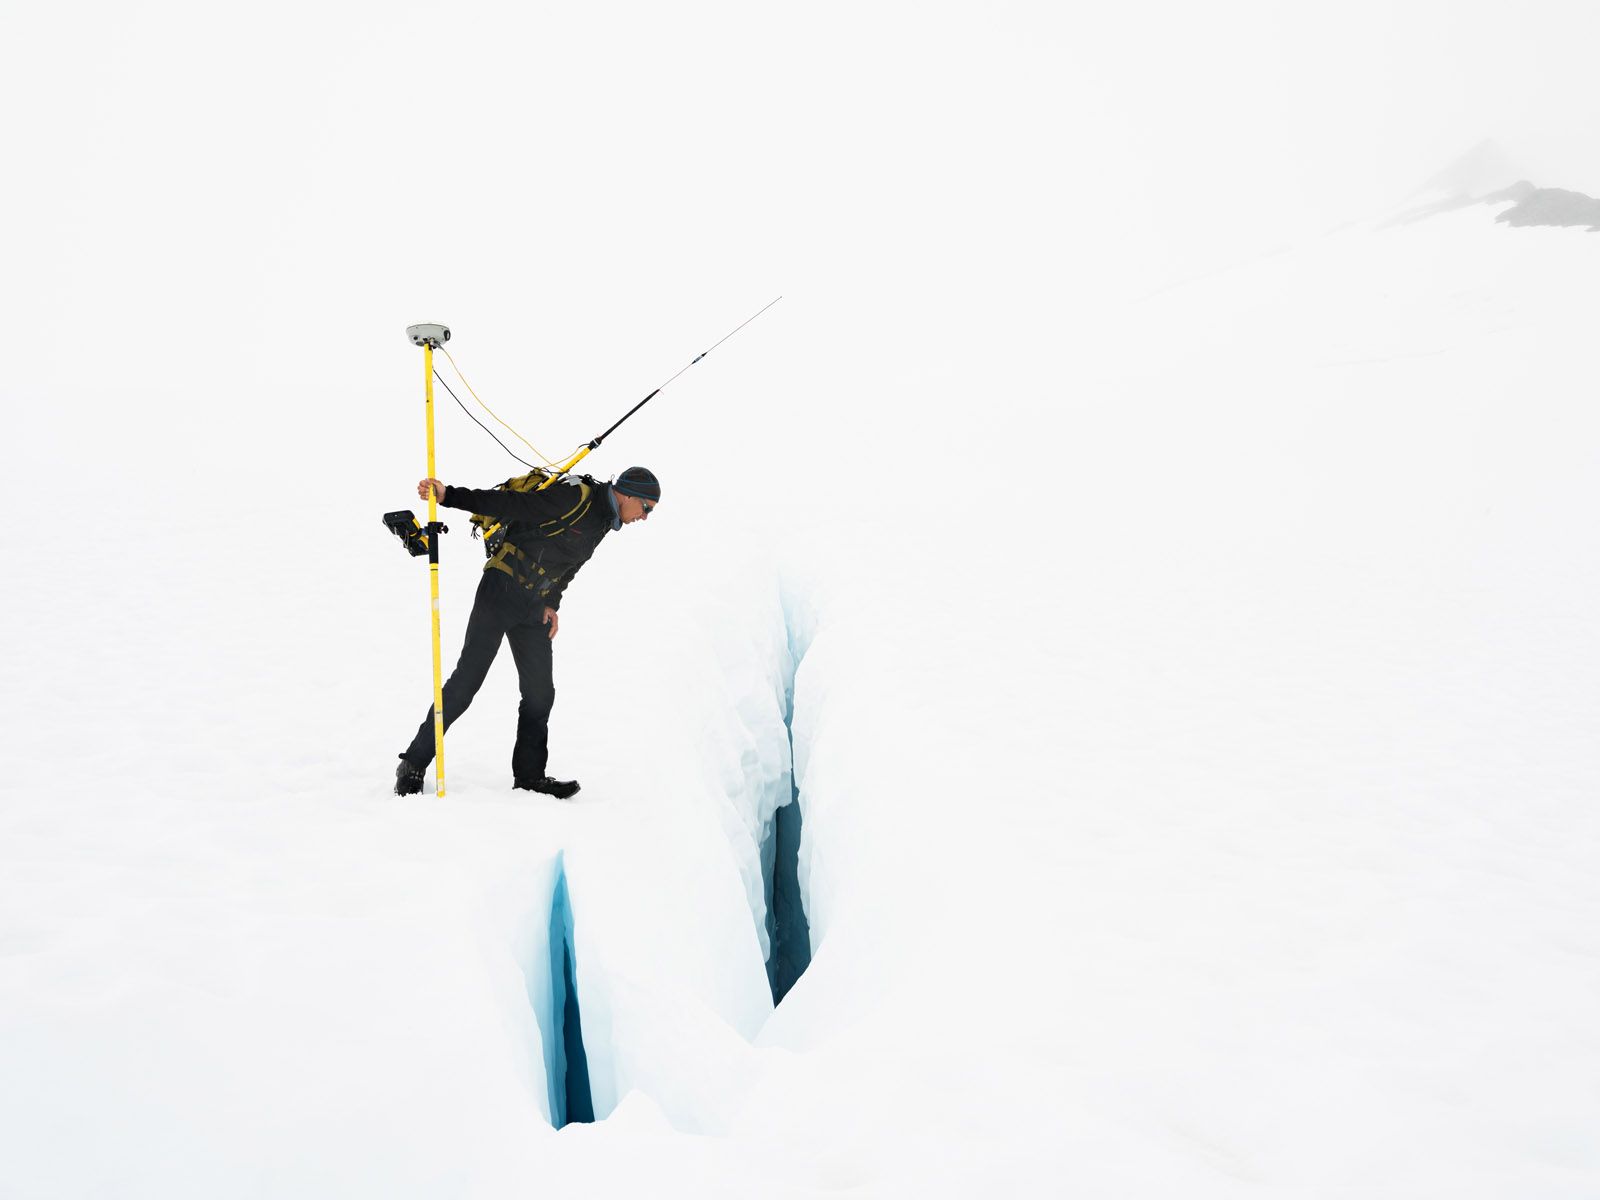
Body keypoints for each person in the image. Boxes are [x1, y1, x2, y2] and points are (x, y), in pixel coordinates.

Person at [394, 466, 661, 798]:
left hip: (534, 605)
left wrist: (552, 602)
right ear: (627, 493)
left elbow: (569, 565)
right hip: (501, 588)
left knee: (540, 693)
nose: (645, 517)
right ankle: (413, 763)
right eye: (646, 508)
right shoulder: (575, 497)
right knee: (467, 682)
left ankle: (530, 777)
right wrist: (450, 496)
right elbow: (512, 504)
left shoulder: (605, 521)